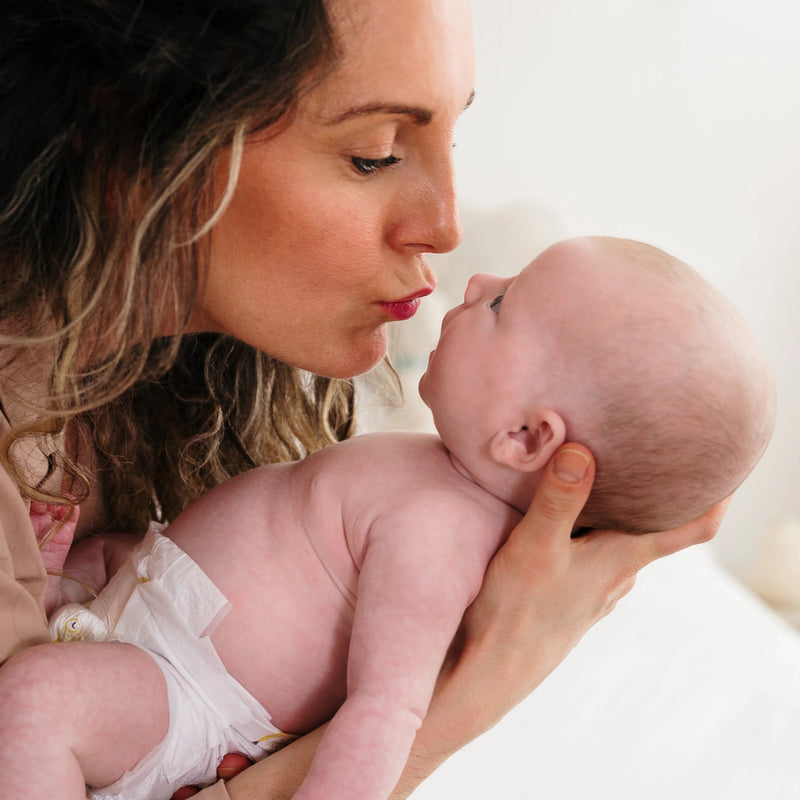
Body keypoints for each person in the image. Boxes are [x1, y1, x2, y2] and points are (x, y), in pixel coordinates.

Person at [0, 1, 726, 798]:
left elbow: (374, 709)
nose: (447, 230)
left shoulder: (192, 397)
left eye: (451, 141)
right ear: (133, 142)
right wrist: (477, 688)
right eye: (375, 155)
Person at [0, 236, 774, 800]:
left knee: (37, 701)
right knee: (86, 566)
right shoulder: (432, 473)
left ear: (525, 437)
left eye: (503, 303)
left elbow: (387, 708)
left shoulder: (439, 535)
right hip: (153, 624)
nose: (478, 279)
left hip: (183, 696)